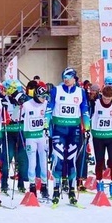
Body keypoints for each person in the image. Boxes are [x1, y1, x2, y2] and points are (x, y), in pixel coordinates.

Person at [46, 68, 90, 206]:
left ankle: (71, 191)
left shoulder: (81, 92)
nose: (66, 79)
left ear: (75, 78)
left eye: (69, 77)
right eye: (64, 76)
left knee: (71, 160)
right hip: (59, 129)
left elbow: (85, 111)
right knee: (58, 159)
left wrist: (87, 128)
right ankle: (56, 190)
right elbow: (49, 109)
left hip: (74, 130)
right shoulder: (56, 90)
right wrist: (46, 126)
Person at [91, 85, 112, 199]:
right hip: (98, 136)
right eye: (105, 98)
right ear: (101, 95)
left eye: (109, 99)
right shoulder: (96, 103)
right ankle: (99, 183)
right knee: (99, 161)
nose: (107, 100)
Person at [20, 82, 49, 200]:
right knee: (32, 162)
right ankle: (32, 186)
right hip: (31, 137)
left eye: (45, 97)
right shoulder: (27, 105)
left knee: (43, 162)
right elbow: (17, 117)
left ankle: (44, 186)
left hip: (42, 137)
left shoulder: (46, 104)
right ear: (36, 95)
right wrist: (18, 105)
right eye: (42, 96)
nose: (44, 99)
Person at [2, 79, 28, 195]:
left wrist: (22, 103)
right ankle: (4, 184)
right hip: (9, 132)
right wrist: (17, 107)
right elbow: (8, 118)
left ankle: (21, 183)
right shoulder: (4, 101)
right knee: (8, 157)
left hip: (21, 131)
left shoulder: (23, 99)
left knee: (22, 158)